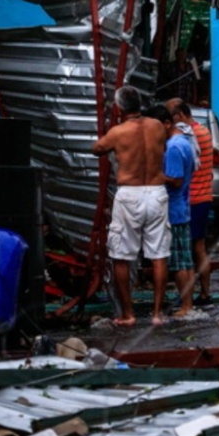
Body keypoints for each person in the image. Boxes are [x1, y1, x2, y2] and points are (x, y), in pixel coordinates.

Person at [91, 87, 170, 328]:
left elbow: (97, 149)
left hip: (130, 194)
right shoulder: (157, 126)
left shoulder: (118, 132)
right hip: (157, 193)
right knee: (158, 255)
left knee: (121, 256)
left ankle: (128, 314)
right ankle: (157, 314)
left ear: (119, 108)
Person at [146, 105, 198, 320]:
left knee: (178, 262)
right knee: (184, 260)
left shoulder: (175, 147)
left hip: (174, 208)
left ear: (167, 124)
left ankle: (186, 305)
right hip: (180, 207)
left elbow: (175, 181)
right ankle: (187, 302)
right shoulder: (183, 142)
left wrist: (154, 174)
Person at [166, 98, 216, 307]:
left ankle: (193, 296)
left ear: (180, 116)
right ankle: (203, 293)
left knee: (189, 251)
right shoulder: (203, 132)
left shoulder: (187, 137)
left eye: (171, 117)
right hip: (203, 196)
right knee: (199, 248)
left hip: (192, 198)